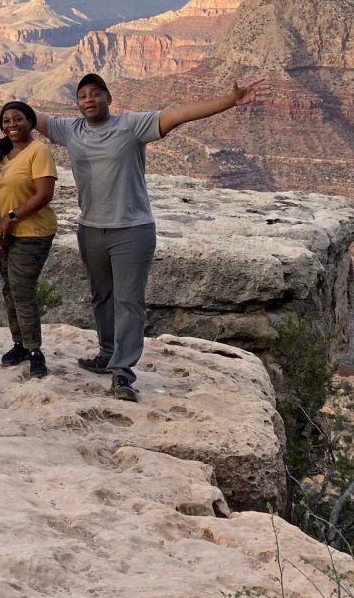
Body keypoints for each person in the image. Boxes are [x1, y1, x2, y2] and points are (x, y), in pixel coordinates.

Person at [35, 72, 263, 402]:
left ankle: (122, 374)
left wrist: (229, 101)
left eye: (96, 93)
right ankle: (106, 354)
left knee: (129, 302)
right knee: (102, 297)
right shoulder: (70, 130)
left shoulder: (131, 126)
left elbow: (176, 114)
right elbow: (33, 118)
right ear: (77, 103)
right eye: (82, 95)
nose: (88, 99)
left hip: (132, 229)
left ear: (109, 99)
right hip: (91, 229)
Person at [0, 101, 58, 378]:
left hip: (32, 233)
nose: (12, 125)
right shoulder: (1, 151)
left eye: (18, 119)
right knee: (9, 289)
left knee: (22, 290)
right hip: (5, 234)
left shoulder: (39, 151)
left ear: (30, 122)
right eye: (6, 121)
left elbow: (44, 195)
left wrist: (10, 217)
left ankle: (34, 350)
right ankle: (19, 343)